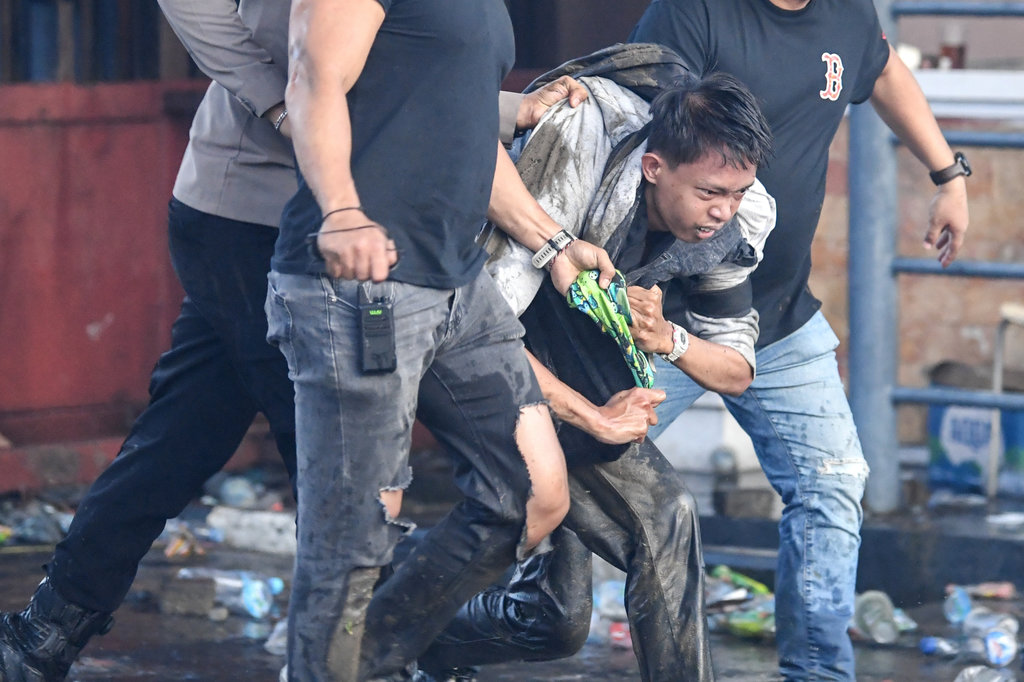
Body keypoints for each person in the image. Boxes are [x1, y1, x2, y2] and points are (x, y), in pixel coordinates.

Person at [0, 0, 586, 679]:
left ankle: (49, 628)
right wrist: (279, 105)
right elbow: (267, 45)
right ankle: (386, 657)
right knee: (342, 475)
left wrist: (509, 117)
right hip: (254, 214)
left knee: (186, 431)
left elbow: (411, 74)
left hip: (363, 229)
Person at [265, 1, 616, 680]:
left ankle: (360, 665)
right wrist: (341, 210)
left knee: (531, 493)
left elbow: (460, 128)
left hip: (459, 277)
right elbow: (314, 76)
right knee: (352, 541)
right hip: (365, 284)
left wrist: (553, 243)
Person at [630, 1, 971, 679]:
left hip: (778, 317)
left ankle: (818, 672)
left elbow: (882, 70)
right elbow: (640, 130)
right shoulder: (694, 12)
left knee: (832, 485)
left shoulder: (845, 13)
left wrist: (948, 175)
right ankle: (484, 629)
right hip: (649, 315)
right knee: (561, 489)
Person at [416, 45, 775, 682]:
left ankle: (412, 645)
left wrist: (670, 340)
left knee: (552, 619)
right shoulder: (581, 143)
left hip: (573, 360)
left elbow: (737, 369)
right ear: (656, 168)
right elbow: (480, 332)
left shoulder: (734, 219)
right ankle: (364, 598)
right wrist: (590, 416)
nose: (724, 208)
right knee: (664, 519)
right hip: (470, 342)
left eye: (738, 191)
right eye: (710, 192)